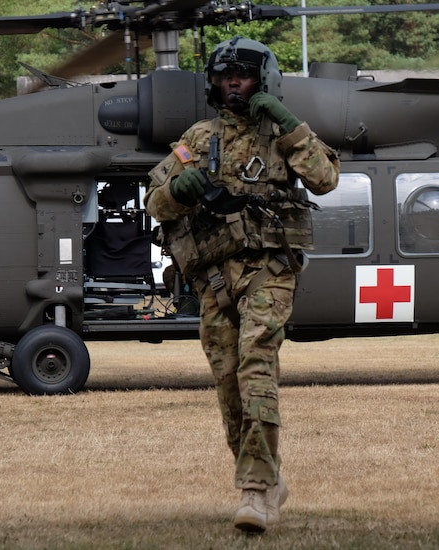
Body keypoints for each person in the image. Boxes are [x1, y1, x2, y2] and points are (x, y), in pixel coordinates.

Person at [144, 37, 339, 533]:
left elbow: (325, 179)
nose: (233, 81)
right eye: (225, 74)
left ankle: (254, 491)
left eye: (244, 74)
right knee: (229, 384)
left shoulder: (283, 134)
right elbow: (155, 201)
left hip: (268, 272)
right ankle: (268, 479)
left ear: (263, 80)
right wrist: (175, 190)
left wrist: (289, 123)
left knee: (256, 366)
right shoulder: (197, 136)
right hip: (213, 280)